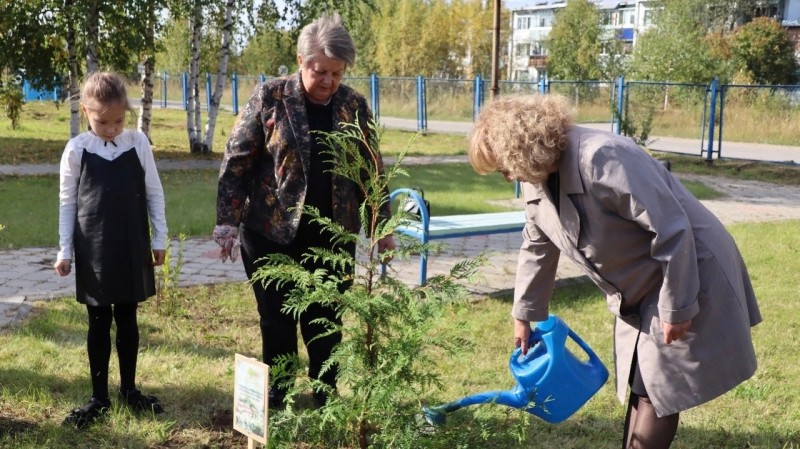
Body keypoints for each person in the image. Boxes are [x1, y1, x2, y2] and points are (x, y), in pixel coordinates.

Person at [468, 94, 761, 449]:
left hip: (684, 268)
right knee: (644, 380)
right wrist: (523, 316)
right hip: (641, 281)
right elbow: (537, 244)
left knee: (659, 385)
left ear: (520, 148)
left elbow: (671, 229)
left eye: (503, 165)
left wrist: (679, 305)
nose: (506, 177)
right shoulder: (536, 175)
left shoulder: (602, 157)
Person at [214, 13, 395, 409]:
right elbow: (237, 160)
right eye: (319, 71)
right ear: (301, 61)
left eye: (336, 72)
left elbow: (372, 169)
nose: (328, 81)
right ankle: (278, 394)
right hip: (269, 233)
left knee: (325, 320)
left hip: (332, 234)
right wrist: (227, 221)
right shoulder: (270, 97)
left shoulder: (354, 105)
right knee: (276, 318)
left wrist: (382, 225)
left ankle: (326, 394)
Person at [54, 71, 168, 428]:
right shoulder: (76, 149)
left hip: (131, 244)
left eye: (118, 120)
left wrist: (159, 237)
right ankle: (99, 396)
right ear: (87, 111)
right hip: (94, 246)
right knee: (98, 321)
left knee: (128, 318)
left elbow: (154, 192)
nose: (111, 128)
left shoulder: (138, 143)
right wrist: (65, 249)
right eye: (102, 121)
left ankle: (129, 390)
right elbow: (67, 203)